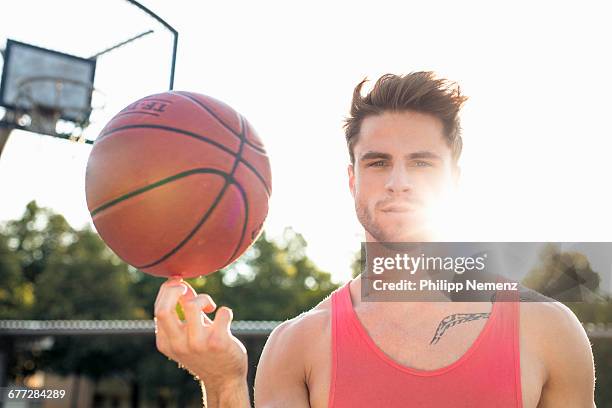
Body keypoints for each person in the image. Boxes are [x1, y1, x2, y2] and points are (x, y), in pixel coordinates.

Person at [153, 72, 596, 407]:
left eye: (421, 163)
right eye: (378, 162)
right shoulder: (299, 345)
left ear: (454, 181)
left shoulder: (547, 330)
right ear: (352, 179)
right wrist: (224, 382)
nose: (398, 182)